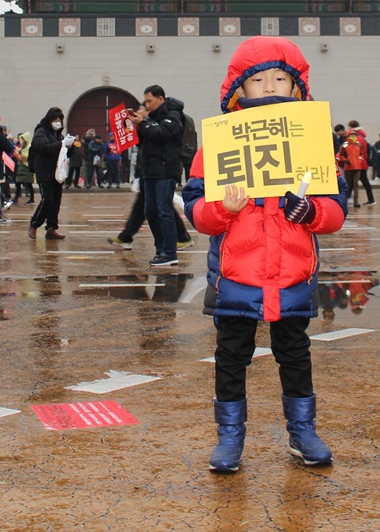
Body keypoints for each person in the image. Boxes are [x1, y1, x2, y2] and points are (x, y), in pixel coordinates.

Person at [182, 36, 347, 473]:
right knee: (230, 356)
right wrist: (223, 209)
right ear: (238, 88)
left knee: (294, 353)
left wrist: (310, 210)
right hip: (235, 275)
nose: (271, 87)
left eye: (281, 78)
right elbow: (196, 209)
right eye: (258, 80)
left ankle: (302, 431)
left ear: (298, 88)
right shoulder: (217, 144)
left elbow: (335, 211)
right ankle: (230, 437)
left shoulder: (314, 141)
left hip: (293, 273)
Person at [128, 84, 187, 268]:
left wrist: (143, 124)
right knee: (150, 211)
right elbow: (145, 142)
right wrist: (136, 127)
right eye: (145, 101)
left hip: (165, 171)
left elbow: (161, 134)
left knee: (164, 211)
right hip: (150, 172)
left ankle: (170, 253)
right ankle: (161, 249)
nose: (147, 105)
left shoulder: (173, 115)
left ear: (160, 99)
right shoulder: (151, 118)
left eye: (150, 101)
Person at [28, 106, 74, 241]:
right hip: (44, 170)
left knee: (56, 201)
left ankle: (51, 228)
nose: (58, 122)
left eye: (60, 119)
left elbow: (65, 152)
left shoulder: (58, 134)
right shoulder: (41, 132)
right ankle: (34, 224)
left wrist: (70, 146)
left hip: (57, 171)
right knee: (47, 199)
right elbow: (43, 147)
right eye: (55, 119)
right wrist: (61, 144)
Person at [345, 120, 375, 205]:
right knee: (360, 182)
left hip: (357, 164)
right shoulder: (361, 136)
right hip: (362, 162)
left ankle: (349, 200)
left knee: (353, 183)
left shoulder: (356, 138)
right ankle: (370, 199)